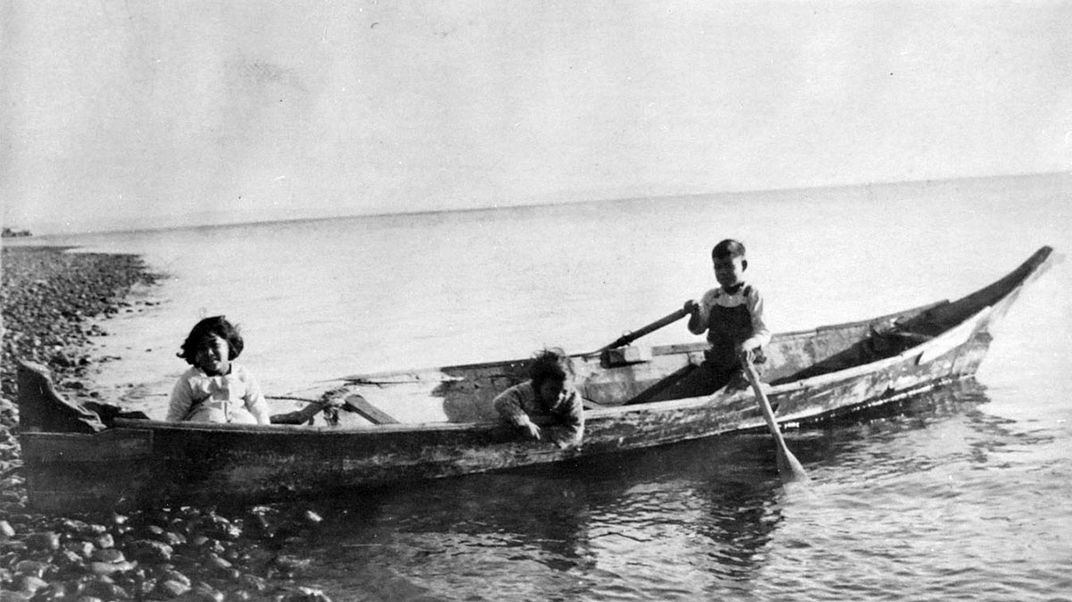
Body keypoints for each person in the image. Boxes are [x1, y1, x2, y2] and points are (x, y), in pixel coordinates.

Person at [658, 239, 771, 400]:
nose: (722, 272)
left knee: (733, 394)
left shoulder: (752, 294)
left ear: (743, 265)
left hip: (746, 365)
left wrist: (749, 344)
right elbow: (698, 329)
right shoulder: (712, 297)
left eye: (728, 266)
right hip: (717, 365)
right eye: (718, 267)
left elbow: (764, 332)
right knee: (682, 392)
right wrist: (696, 313)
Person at [166, 316, 271, 425]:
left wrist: (265, 433)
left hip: (241, 434)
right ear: (195, 353)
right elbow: (175, 417)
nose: (209, 353)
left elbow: (259, 408)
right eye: (202, 348)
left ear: (229, 346)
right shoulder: (190, 380)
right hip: (204, 436)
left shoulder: (242, 375)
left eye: (215, 345)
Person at [493, 348, 584, 449]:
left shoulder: (572, 397)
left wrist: (548, 439)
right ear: (539, 384)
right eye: (552, 390)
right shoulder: (526, 390)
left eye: (564, 391)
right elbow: (502, 401)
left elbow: (575, 429)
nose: (559, 396)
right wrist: (523, 421)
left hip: (551, 444)